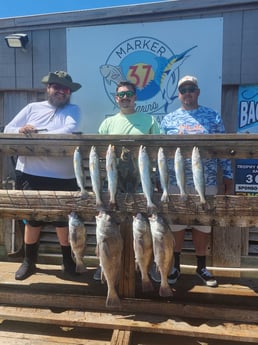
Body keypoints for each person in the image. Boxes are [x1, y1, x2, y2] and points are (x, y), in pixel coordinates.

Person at [4, 70, 82, 280]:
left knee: (62, 220)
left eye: (65, 89)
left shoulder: (73, 110)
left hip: (63, 175)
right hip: (30, 172)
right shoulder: (31, 108)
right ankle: (29, 261)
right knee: (33, 220)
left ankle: (68, 261)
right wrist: (22, 130)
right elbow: (9, 129)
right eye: (56, 87)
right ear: (48, 88)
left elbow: (68, 131)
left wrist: (35, 131)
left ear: (69, 93)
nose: (60, 91)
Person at [160, 75, 233, 287]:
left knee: (203, 225)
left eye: (191, 89)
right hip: (175, 181)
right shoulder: (168, 120)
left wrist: (227, 174)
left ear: (198, 92)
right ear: (178, 95)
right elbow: (161, 155)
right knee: (177, 225)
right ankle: (176, 266)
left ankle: (201, 267)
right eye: (183, 90)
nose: (187, 93)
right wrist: (159, 179)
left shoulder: (213, 117)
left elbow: (223, 148)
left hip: (207, 181)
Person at [94, 80, 161, 280]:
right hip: (115, 178)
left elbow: (158, 151)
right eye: (121, 95)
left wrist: (156, 178)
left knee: (144, 223)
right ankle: (103, 263)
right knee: (108, 221)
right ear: (116, 98)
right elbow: (98, 154)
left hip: (142, 178)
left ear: (135, 97)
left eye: (128, 94)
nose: (125, 98)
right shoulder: (107, 123)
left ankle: (147, 266)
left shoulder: (150, 121)